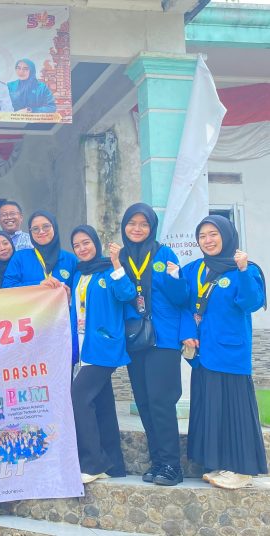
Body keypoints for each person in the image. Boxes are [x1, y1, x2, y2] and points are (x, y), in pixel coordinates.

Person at [183, 215, 267, 490]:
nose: (207, 240)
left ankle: (242, 469)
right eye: (202, 236)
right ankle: (218, 463)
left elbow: (251, 303)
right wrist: (188, 333)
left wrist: (242, 271)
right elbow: (182, 304)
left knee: (235, 410)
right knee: (212, 409)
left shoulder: (245, 269)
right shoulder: (194, 269)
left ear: (227, 236)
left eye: (213, 234)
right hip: (202, 353)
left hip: (231, 354)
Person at [119, 203, 190, 487]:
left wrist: (174, 279)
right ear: (124, 226)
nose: (137, 229)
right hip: (135, 338)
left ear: (152, 227)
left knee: (162, 401)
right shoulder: (120, 258)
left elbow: (181, 297)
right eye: (132, 223)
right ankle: (158, 461)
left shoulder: (165, 254)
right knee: (145, 402)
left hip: (164, 339)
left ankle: (172, 465)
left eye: (143, 224)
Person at [69, 225, 136, 484]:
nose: (82, 248)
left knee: (78, 396)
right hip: (84, 346)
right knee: (102, 402)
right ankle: (113, 464)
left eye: (86, 242)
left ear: (95, 243)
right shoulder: (79, 274)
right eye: (76, 245)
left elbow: (127, 294)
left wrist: (117, 263)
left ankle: (93, 462)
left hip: (104, 345)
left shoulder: (109, 270)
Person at [2, 210, 77, 289]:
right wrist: (38, 285)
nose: (41, 232)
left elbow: (79, 289)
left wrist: (71, 293)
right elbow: (7, 287)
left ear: (54, 227)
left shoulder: (70, 260)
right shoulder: (20, 257)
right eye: (35, 229)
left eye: (46, 226)